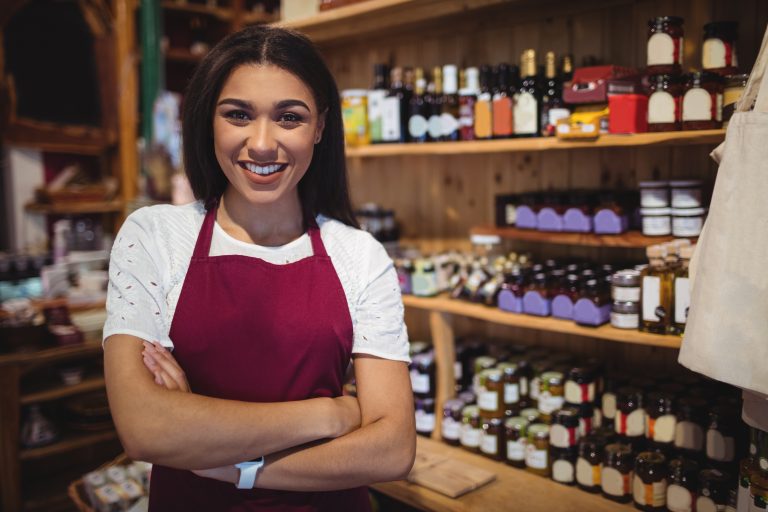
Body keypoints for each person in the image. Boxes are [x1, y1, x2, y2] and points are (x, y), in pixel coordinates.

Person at [103, 25, 416, 511]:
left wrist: (222, 463)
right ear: (210, 120)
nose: (263, 143)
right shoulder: (154, 236)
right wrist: (328, 414)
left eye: (289, 117)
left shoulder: (359, 254)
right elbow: (145, 429)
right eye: (238, 115)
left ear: (320, 127)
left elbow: (393, 448)